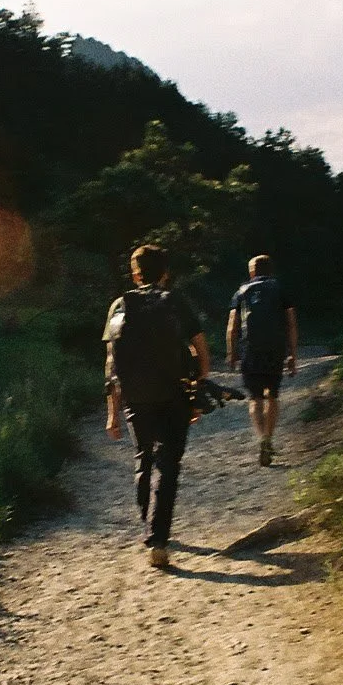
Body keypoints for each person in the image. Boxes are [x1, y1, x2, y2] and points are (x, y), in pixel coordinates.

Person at [103, 244, 210, 569]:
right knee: (168, 466)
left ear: (135, 274)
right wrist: (198, 388)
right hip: (174, 394)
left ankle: (148, 525)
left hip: (136, 397)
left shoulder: (120, 305)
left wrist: (113, 413)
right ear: (165, 273)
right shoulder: (175, 301)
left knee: (144, 457)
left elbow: (111, 364)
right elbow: (201, 349)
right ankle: (158, 540)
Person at [226, 254, 298, 466]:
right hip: (275, 350)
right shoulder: (280, 289)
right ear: (271, 270)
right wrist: (292, 354)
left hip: (250, 350)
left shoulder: (241, 292)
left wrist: (232, 352)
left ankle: (261, 438)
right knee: (272, 395)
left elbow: (232, 326)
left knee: (255, 398)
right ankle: (269, 436)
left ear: (252, 272)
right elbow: (291, 324)